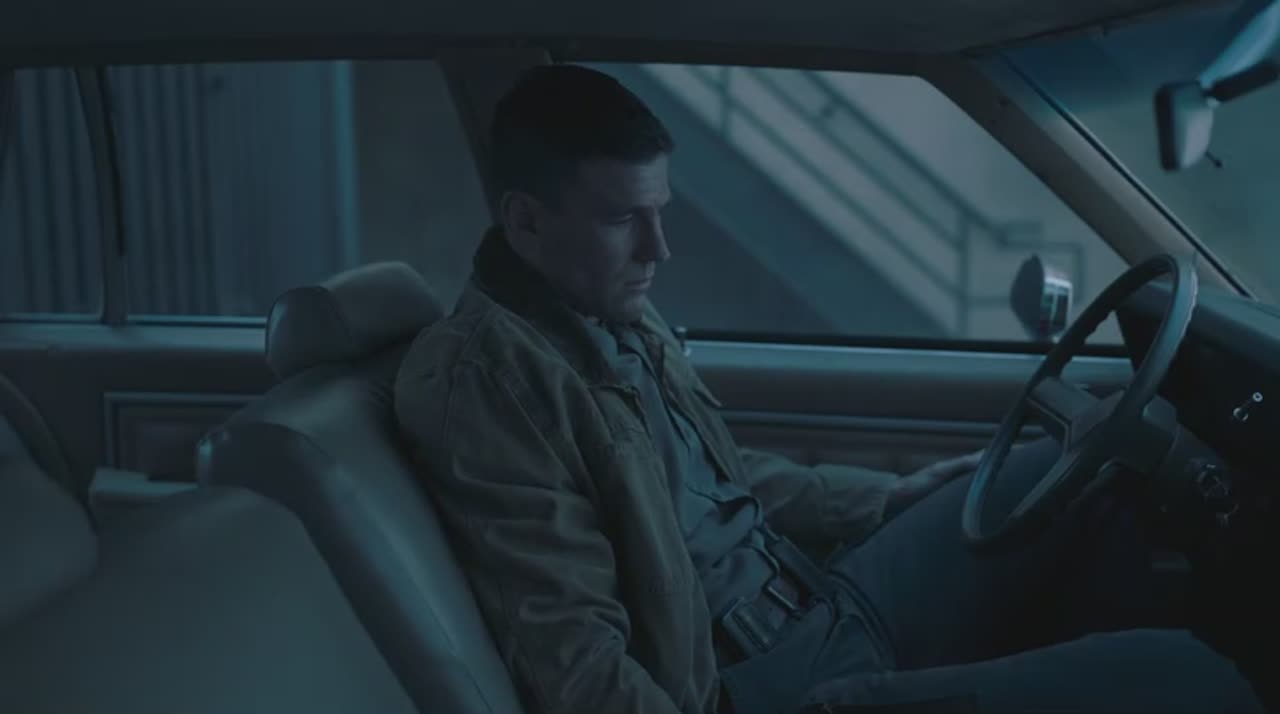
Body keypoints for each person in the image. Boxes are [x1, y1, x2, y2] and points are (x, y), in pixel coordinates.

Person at [393, 64, 1263, 714]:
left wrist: (885, 500)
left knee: (1090, 460)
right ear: (525, 221)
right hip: (769, 686)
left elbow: (721, 486)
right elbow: (575, 660)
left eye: (662, 213)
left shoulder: (604, 304)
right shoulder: (490, 387)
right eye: (624, 219)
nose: (660, 250)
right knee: (1194, 677)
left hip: (821, 599)